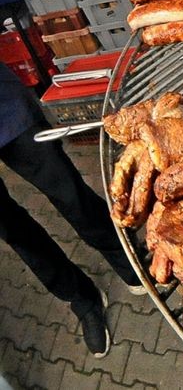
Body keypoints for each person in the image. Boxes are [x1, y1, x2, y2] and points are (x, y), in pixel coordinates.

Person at [1, 65, 145, 358]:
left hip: (6, 113)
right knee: (14, 232)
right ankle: (83, 300)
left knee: (69, 192)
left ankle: (127, 259)